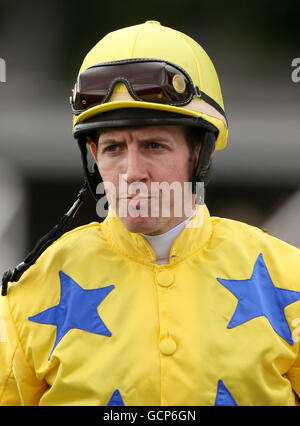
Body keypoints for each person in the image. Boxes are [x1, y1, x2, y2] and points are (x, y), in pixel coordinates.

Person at [1, 20, 300, 407]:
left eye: (154, 145)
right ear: (93, 158)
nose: (131, 172)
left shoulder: (288, 278)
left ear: (201, 152)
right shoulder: (30, 292)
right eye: (113, 149)